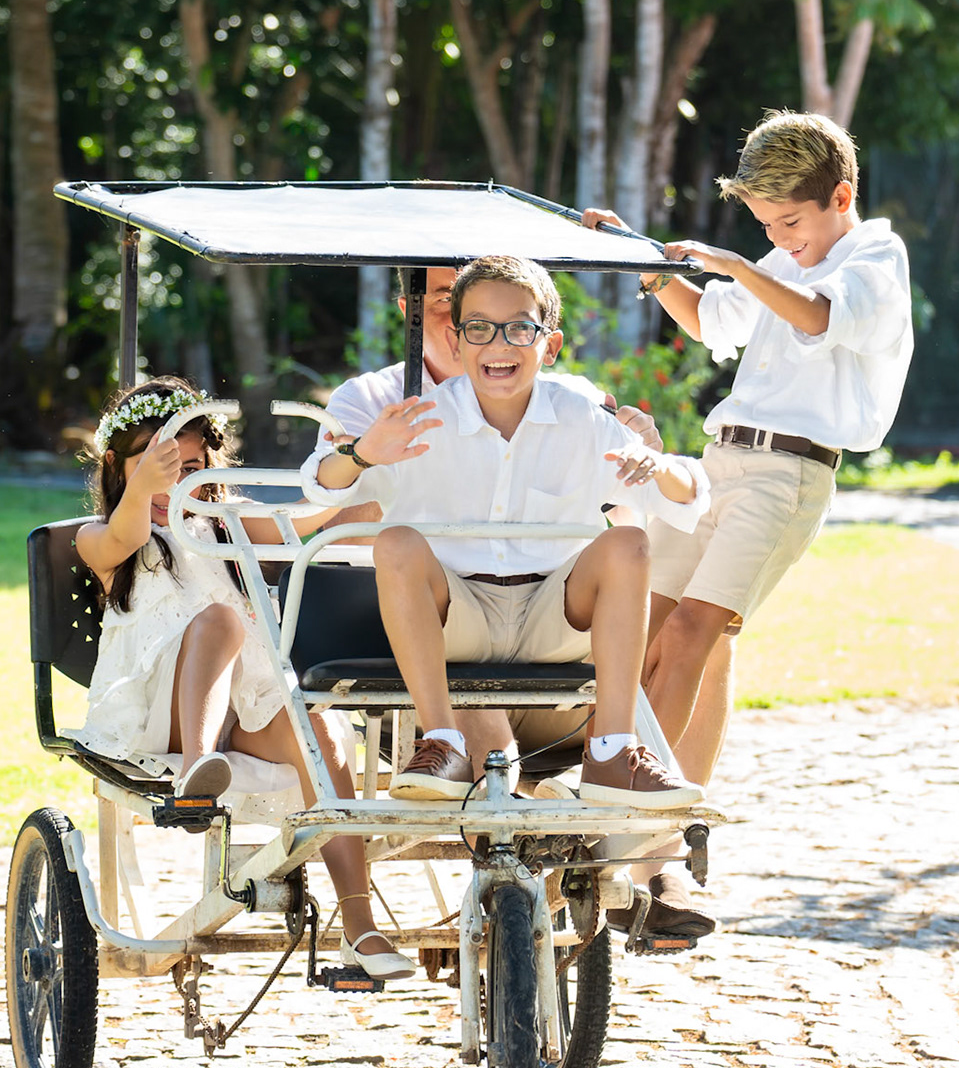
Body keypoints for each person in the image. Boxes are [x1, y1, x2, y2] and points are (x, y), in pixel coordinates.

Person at [302, 255, 709, 810]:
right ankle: (442, 742)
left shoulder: (582, 418)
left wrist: (660, 467)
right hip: (456, 619)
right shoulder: (417, 419)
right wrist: (361, 454)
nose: (499, 345)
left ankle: (613, 752)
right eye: (479, 329)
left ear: (550, 344)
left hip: (554, 618)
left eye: (519, 329)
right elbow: (321, 489)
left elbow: (688, 498)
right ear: (457, 339)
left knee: (627, 544)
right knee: (396, 542)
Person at [584, 108, 914, 792]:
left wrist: (734, 263)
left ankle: (619, 806)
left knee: (690, 637)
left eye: (788, 222)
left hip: (787, 477)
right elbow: (708, 318)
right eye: (765, 226)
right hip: (719, 464)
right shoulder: (781, 260)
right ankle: (604, 795)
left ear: (841, 196)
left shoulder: (876, 259)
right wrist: (641, 259)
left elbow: (819, 316)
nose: (778, 240)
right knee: (639, 635)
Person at [72, 378, 416, 981]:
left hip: (242, 706)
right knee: (221, 620)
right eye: (155, 467)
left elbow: (305, 514)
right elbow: (123, 535)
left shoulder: (227, 525)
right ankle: (197, 773)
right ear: (117, 468)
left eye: (189, 471)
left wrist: (358, 459)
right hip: (160, 714)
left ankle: (359, 924)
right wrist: (146, 486)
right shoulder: (106, 539)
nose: (173, 487)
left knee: (321, 737)